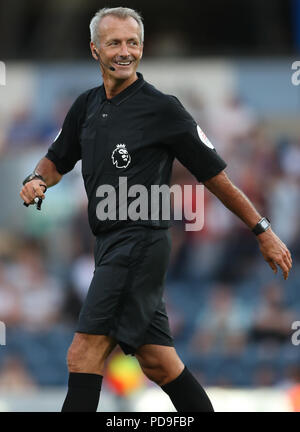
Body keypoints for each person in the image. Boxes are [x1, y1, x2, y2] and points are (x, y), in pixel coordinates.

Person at [19, 7, 292, 412]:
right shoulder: (85, 107)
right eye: (114, 43)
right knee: (159, 363)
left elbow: (216, 177)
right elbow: (55, 161)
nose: (125, 51)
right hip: (109, 245)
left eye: (132, 42)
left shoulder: (163, 109)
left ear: (142, 48)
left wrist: (262, 230)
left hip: (141, 242)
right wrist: (38, 180)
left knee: (83, 354)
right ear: (95, 49)